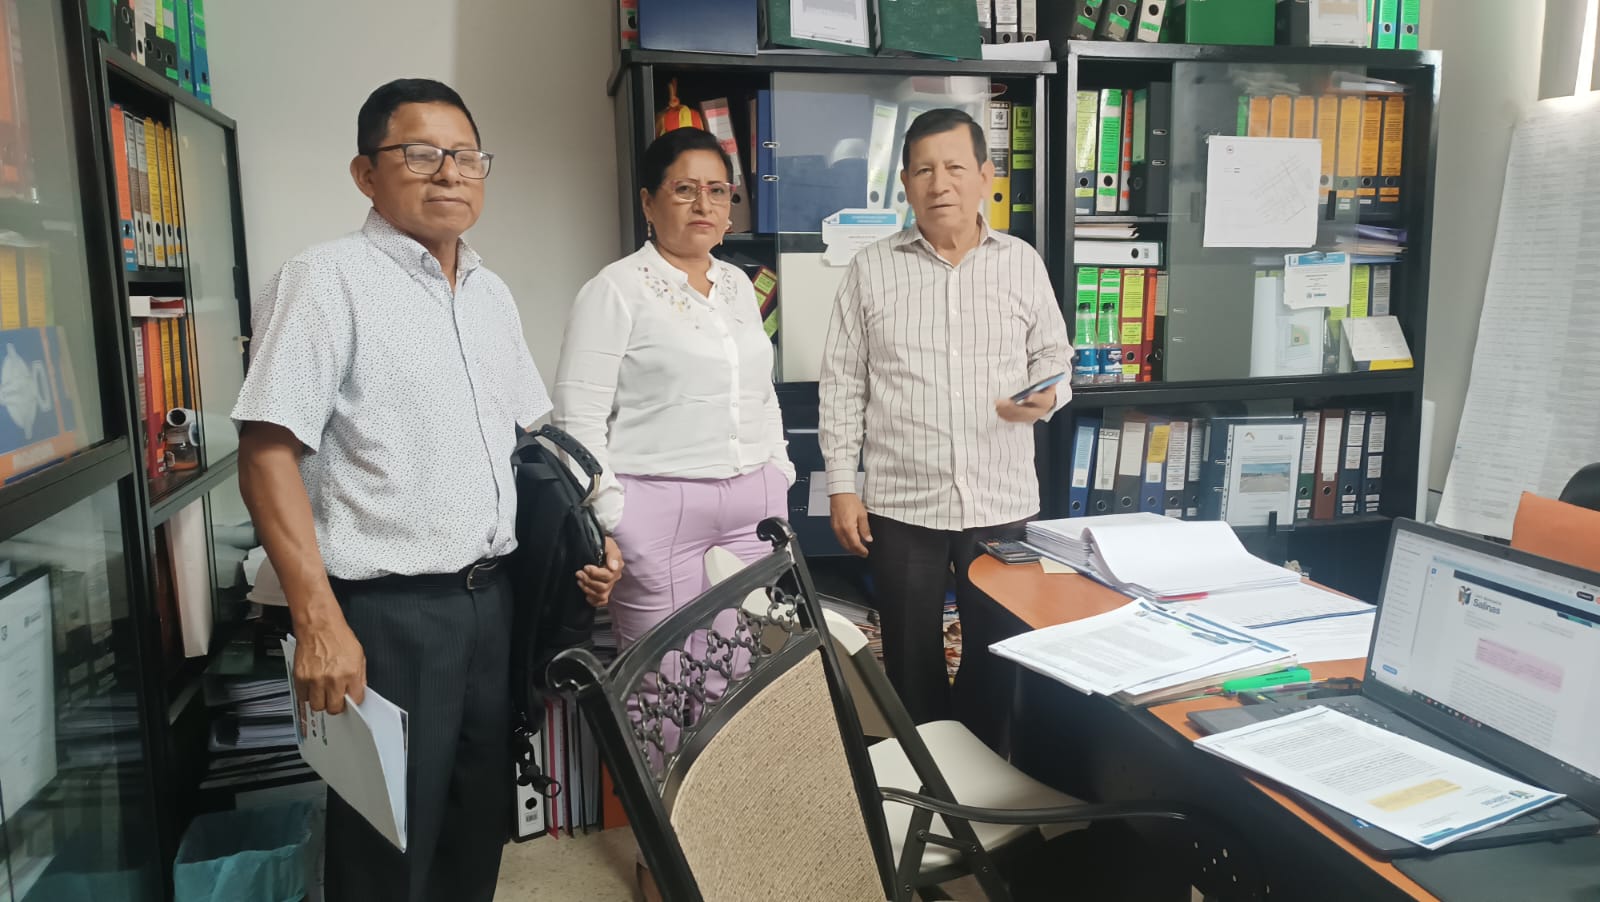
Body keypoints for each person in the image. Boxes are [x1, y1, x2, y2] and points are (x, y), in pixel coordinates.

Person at [233, 78, 620, 902]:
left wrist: (587, 541)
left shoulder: (490, 293)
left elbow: (530, 443)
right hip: (387, 616)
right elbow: (266, 453)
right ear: (365, 173)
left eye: (467, 156)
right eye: (420, 154)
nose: (450, 172)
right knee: (386, 855)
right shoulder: (324, 280)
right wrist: (318, 621)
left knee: (476, 833)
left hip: (492, 605)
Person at [818, 107, 1073, 751]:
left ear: (985, 175)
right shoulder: (870, 269)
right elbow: (842, 383)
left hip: (1001, 499)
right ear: (905, 183)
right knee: (909, 658)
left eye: (955, 167)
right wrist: (842, 486)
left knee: (1002, 651)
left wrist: (1044, 396)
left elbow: (1054, 357)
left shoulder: (1022, 263)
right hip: (905, 501)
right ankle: (927, 781)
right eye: (924, 170)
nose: (940, 184)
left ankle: (989, 775)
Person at [553, 126, 794, 652]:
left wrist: (779, 470)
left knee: (749, 662)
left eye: (718, 190)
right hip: (658, 505)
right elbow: (577, 415)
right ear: (648, 202)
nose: (703, 204)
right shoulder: (616, 289)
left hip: (753, 505)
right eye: (685, 189)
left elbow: (760, 390)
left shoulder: (738, 284)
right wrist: (612, 513)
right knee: (665, 672)